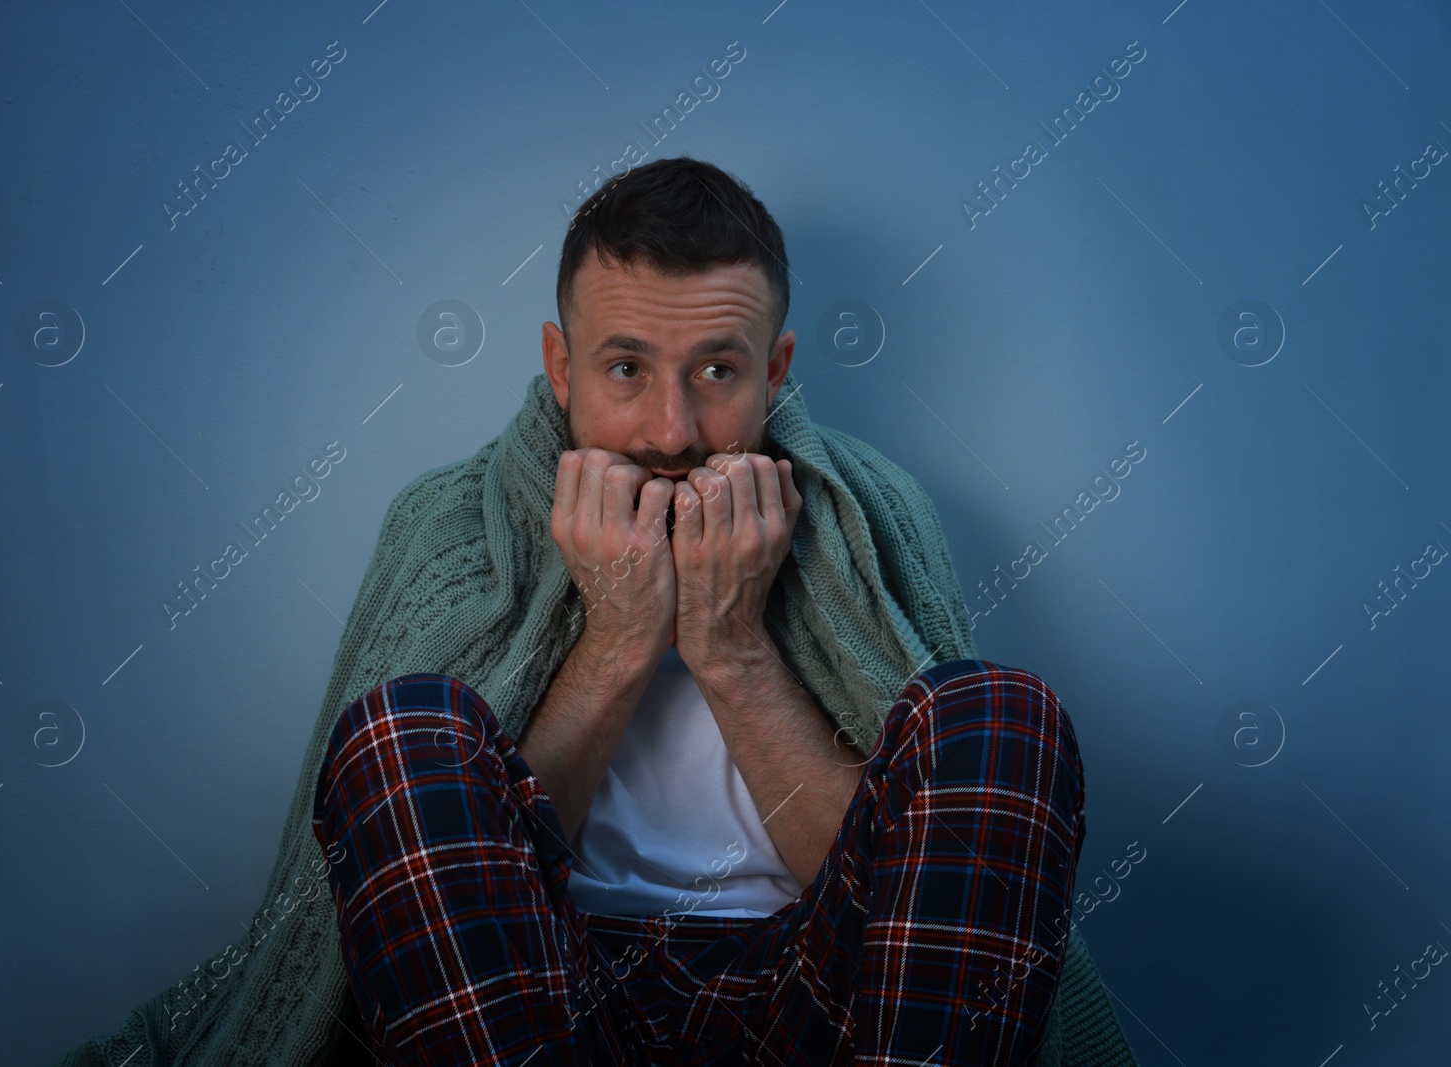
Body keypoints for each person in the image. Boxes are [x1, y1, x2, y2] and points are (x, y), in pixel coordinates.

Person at [307, 157, 1138, 1065]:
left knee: (1000, 714)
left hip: (819, 993)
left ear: (775, 371)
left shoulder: (868, 513)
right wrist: (621, 635)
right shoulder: (455, 522)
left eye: (716, 369)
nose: (673, 430)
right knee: (398, 735)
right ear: (560, 366)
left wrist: (731, 645)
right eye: (626, 367)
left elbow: (918, 888)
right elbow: (453, 874)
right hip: (536, 994)